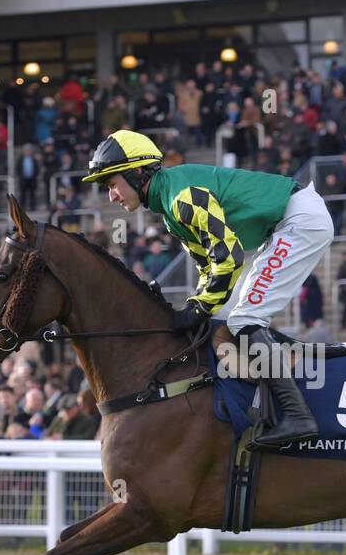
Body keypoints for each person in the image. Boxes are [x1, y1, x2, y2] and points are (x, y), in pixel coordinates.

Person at [83, 129, 332, 448]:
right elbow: (209, 269)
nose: (111, 196)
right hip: (286, 224)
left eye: (112, 184)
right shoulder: (170, 206)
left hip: (300, 221)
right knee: (225, 314)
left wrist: (198, 308)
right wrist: (196, 306)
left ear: (136, 172)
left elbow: (228, 257)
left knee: (245, 319)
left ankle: (298, 415)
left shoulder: (181, 197)